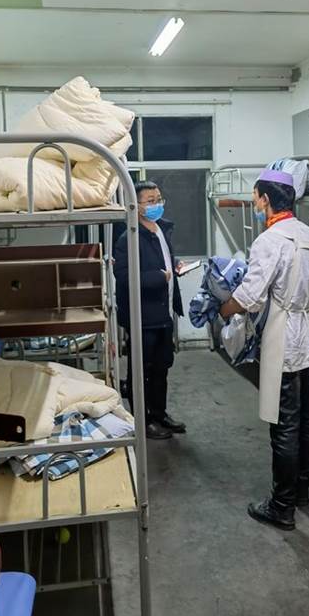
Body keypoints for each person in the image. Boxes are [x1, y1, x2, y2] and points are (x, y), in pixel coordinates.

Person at [220, 168, 309, 531]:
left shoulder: (270, 241)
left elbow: (251, 297)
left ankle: (281, 506)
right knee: (308, 420)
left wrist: (224, 308)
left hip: (286, 339)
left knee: (285, 425)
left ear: (266, 199)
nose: (255, 206)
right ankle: (301, 491)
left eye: (255, 199)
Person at [114, 181, 186, 440]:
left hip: (164, 312)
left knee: (161, 368)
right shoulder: (129, 238)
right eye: (151, 201)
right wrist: (159, 277)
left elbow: (163, 261)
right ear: (137, 206)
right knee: (141, 371)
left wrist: (175, 266)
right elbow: (124, 277)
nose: (157, 205)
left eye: (159, 200)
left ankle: (159, 414)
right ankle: (142, 423)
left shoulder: (161, 230)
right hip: (143, 316)